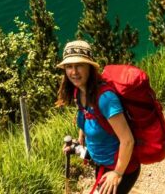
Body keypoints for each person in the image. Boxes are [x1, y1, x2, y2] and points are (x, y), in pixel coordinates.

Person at [56, 40, 140, 194]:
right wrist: (77, 144)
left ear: (90, 67)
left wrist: (117, 173)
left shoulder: (105, 98)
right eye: (69, 66)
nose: (73, 72)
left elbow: (128, 141)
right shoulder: (79, 93)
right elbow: (87, 118)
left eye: (79, 65)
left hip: (121, 167)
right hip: (101, 164)